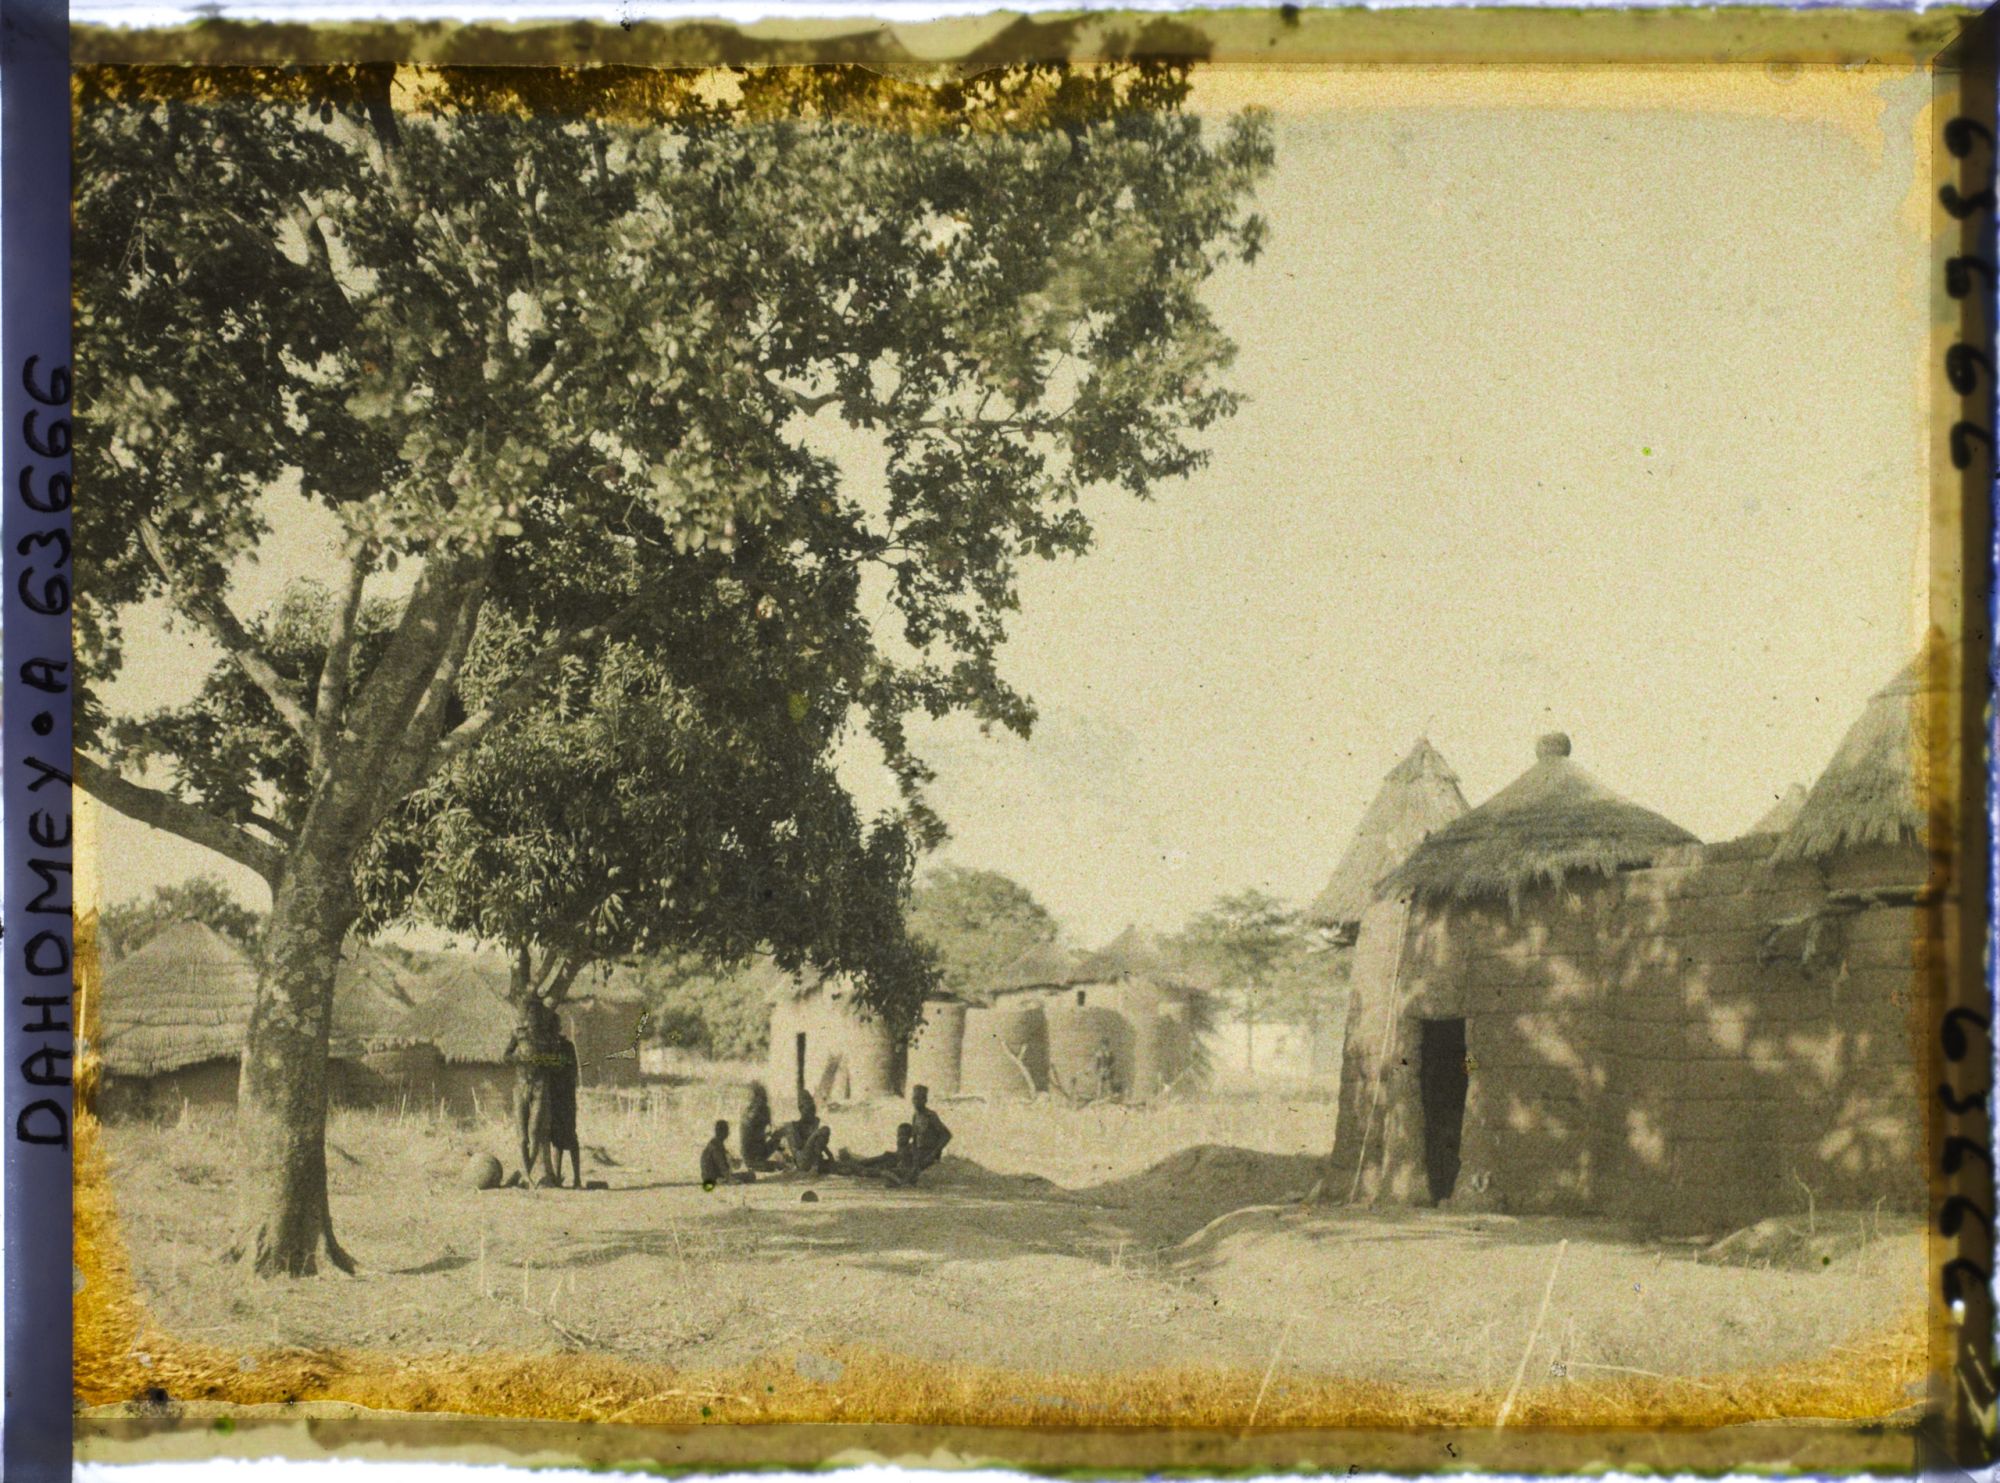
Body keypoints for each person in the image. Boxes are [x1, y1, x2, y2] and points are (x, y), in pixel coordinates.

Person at [503, 997, 560, 1188]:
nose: (533, 1019)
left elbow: (557, 1061)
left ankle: (524, 1173)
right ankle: (525, 1174)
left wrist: (544, 1060)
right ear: (526, 1017)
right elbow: (505, 1056)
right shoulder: (518, 1035)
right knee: (522, 1136)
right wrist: (519, 1058)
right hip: (520, 1085)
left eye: (537, 1015)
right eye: (530, 1015)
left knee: (534, 1131)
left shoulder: (547, 1038)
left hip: (539, 1086)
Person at [545, 1029, 582, 1189]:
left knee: (571, 1137)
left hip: (566, 1097)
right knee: (557, 1140)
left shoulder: (567, 1046)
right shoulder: (547, 1046)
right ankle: (558, 1177)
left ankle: (577, 1179)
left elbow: (572, 1070)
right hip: (554, 1098)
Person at [898, 1083, 952, 1184]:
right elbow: (915, 1137)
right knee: (896, 1157)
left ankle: (905, 1179)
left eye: (919, 1099)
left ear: (925, 1100)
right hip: (917, 1151)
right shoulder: (915, 1116)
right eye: (914, 1099)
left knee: (913, 1169)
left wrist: (934, 1153)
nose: (916, 1102)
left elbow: (946, 1135)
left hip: (927, 1152)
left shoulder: (931, 1116)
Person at [779, 1088, 833, 1175]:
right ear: (800, 1109)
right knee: (823, 1131)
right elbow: (799, 1147)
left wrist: (830, 1155)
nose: (812, 1112)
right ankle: (815, 1167)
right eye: (809, 1109)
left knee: (824, 1131)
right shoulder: (793, 1126)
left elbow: (819, 1143)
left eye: (813, 1109)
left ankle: (815, 1166)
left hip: (811, 1158)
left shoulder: (814, 1122)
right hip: (802, 1160)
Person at [700, 1119, 753, 1187]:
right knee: (749, 1176)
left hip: (712, 1176)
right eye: (726, 1131)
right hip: (714, 1178)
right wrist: (730, 1178)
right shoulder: (716, 1146)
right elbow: (721, 1164)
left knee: (749, 1175)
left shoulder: (716, 1144)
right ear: (722, 1132)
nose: (728, 1133)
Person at [739, 1081, 779, 1171]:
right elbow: (765, 1132)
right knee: (781, 1134)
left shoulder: (747, 1110)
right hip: (756, 1154)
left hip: (747, 1155)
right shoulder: (762, 1110)